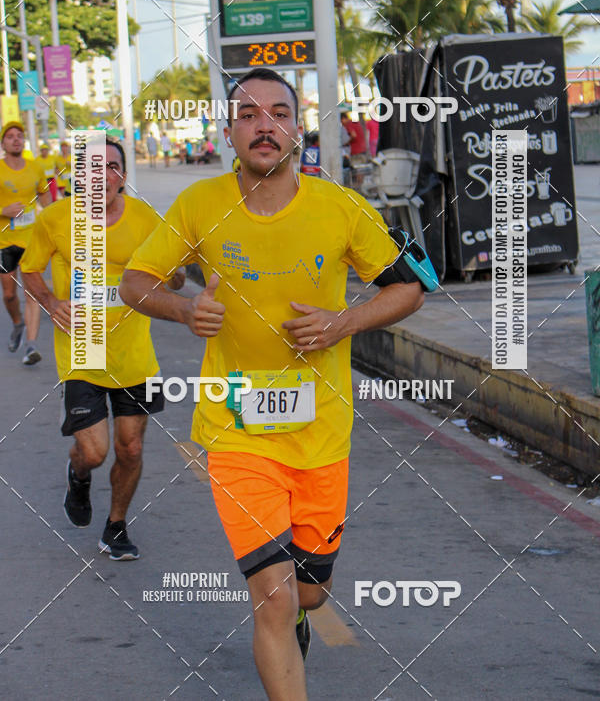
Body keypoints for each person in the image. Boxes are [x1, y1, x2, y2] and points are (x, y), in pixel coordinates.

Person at [120, 67, 424, 699]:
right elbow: (136, 280)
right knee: (275, 599)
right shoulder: (199, 204)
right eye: (249, 114)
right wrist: (182, 309)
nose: (265, 125)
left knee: (310, 590)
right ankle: (285, 632)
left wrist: (343, 322)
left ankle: (301, 619)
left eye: (278, 112)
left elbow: (408, 286)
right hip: (236, 432)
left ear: (298, 128)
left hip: (321, 434)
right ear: (229, 131)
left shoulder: (339, 206)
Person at [21, 138, 185, 560]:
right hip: (83, 350)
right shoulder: (57, 218)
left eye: (111, 167)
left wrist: (179, 277)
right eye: (93, 169)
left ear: (122, 177)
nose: (102, 176)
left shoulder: (146, 219)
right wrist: (52, 303)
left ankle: (115, 526)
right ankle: (78, 476)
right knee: (94, 453)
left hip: (135, 354)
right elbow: (30, 268)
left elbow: (172, 274)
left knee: (130, 447)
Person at [0, 121, 51, 364]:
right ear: (3, 143)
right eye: (10, 136)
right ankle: (18, 323)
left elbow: (45, 196)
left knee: (32, 292)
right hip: (4, 242)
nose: (16, 139)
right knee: (9, 294)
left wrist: (55, 216)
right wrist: (3, 210)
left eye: (19, 135)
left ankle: (31, 346)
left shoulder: (35, 168)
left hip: (32, 240)